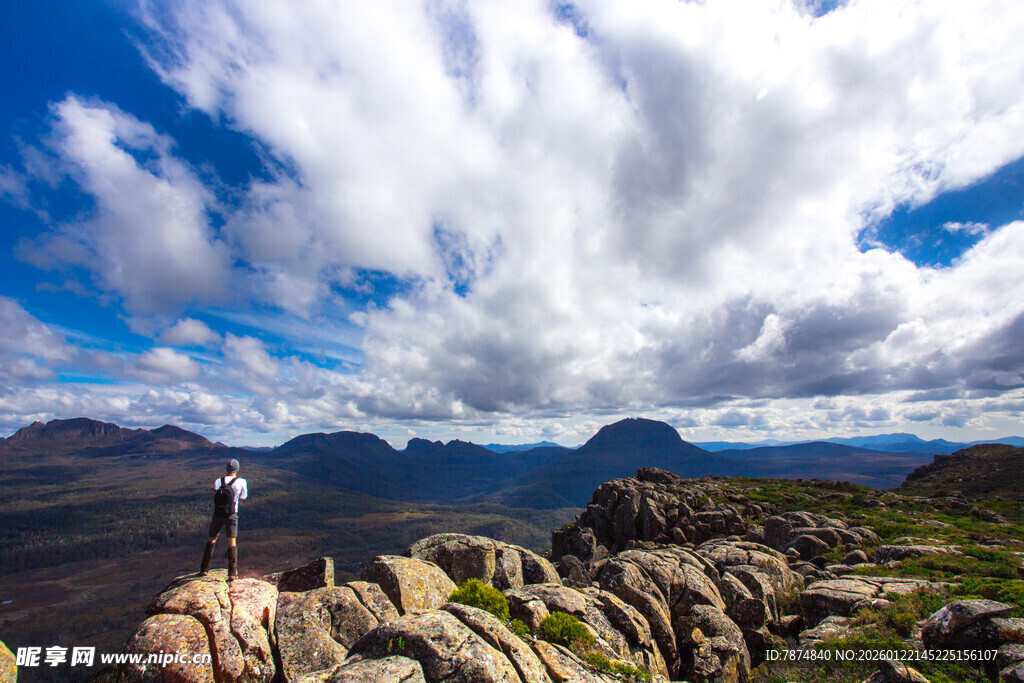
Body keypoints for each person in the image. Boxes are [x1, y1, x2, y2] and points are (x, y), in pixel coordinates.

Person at [199, 458, 248, 581]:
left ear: (227, 468)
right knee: (231, 542)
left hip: (218, 514)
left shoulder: (218, 481)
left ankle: (204, 569)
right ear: (237, 469)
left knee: (212, 539)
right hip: (232, 514)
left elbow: (215, 494)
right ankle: (232, 573)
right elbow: (243, 497)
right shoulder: (241, 481)